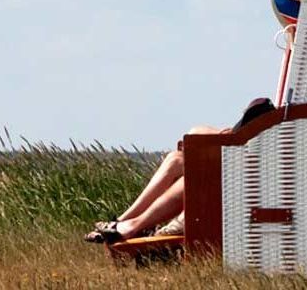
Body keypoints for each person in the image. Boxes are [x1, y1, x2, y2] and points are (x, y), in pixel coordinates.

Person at [84, 98, 275, 244]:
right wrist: (222, 137)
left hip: (244, 179)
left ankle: (134, 225)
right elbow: (195, 131)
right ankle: (124, 220)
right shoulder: (269, 131)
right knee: (175, 159)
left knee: (195, 172)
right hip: (238, 163)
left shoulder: (269, 147)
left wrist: (217, 140)